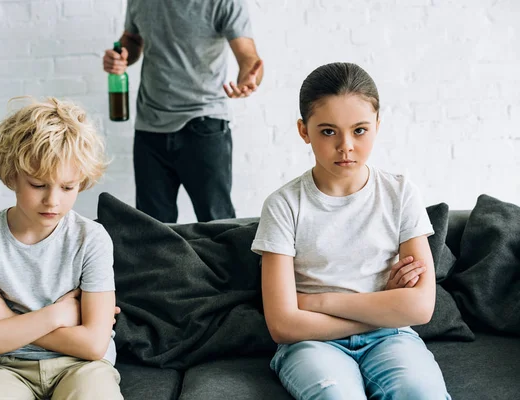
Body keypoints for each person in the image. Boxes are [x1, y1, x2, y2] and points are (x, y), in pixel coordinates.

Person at [251, 63, 451, 399]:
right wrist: (384, 307)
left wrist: (316, 303)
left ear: (377, 126)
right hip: (310, 343)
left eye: (359, 130)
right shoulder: (283, 205)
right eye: (328, 131)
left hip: (392, 337)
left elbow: (419, 308)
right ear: (304, 131)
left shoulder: (400, 193)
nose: (346, 146)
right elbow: (283, 324)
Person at [0, 97, 123, 399]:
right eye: (38, 185)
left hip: (83, 366)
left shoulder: (92, 238)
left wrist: (5, 317)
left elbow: (94, 344)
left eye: (67, 187)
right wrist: (58, 314)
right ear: (12, 177)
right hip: (9, 367)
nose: (53, 201)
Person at [102, 0, 264, 223]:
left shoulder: (224, 2)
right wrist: (120, 56)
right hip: (149, 127)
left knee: (217, 225)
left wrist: (249, 78)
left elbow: (248, 56)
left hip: (204, 125)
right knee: (153, 229)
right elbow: (132, 38)